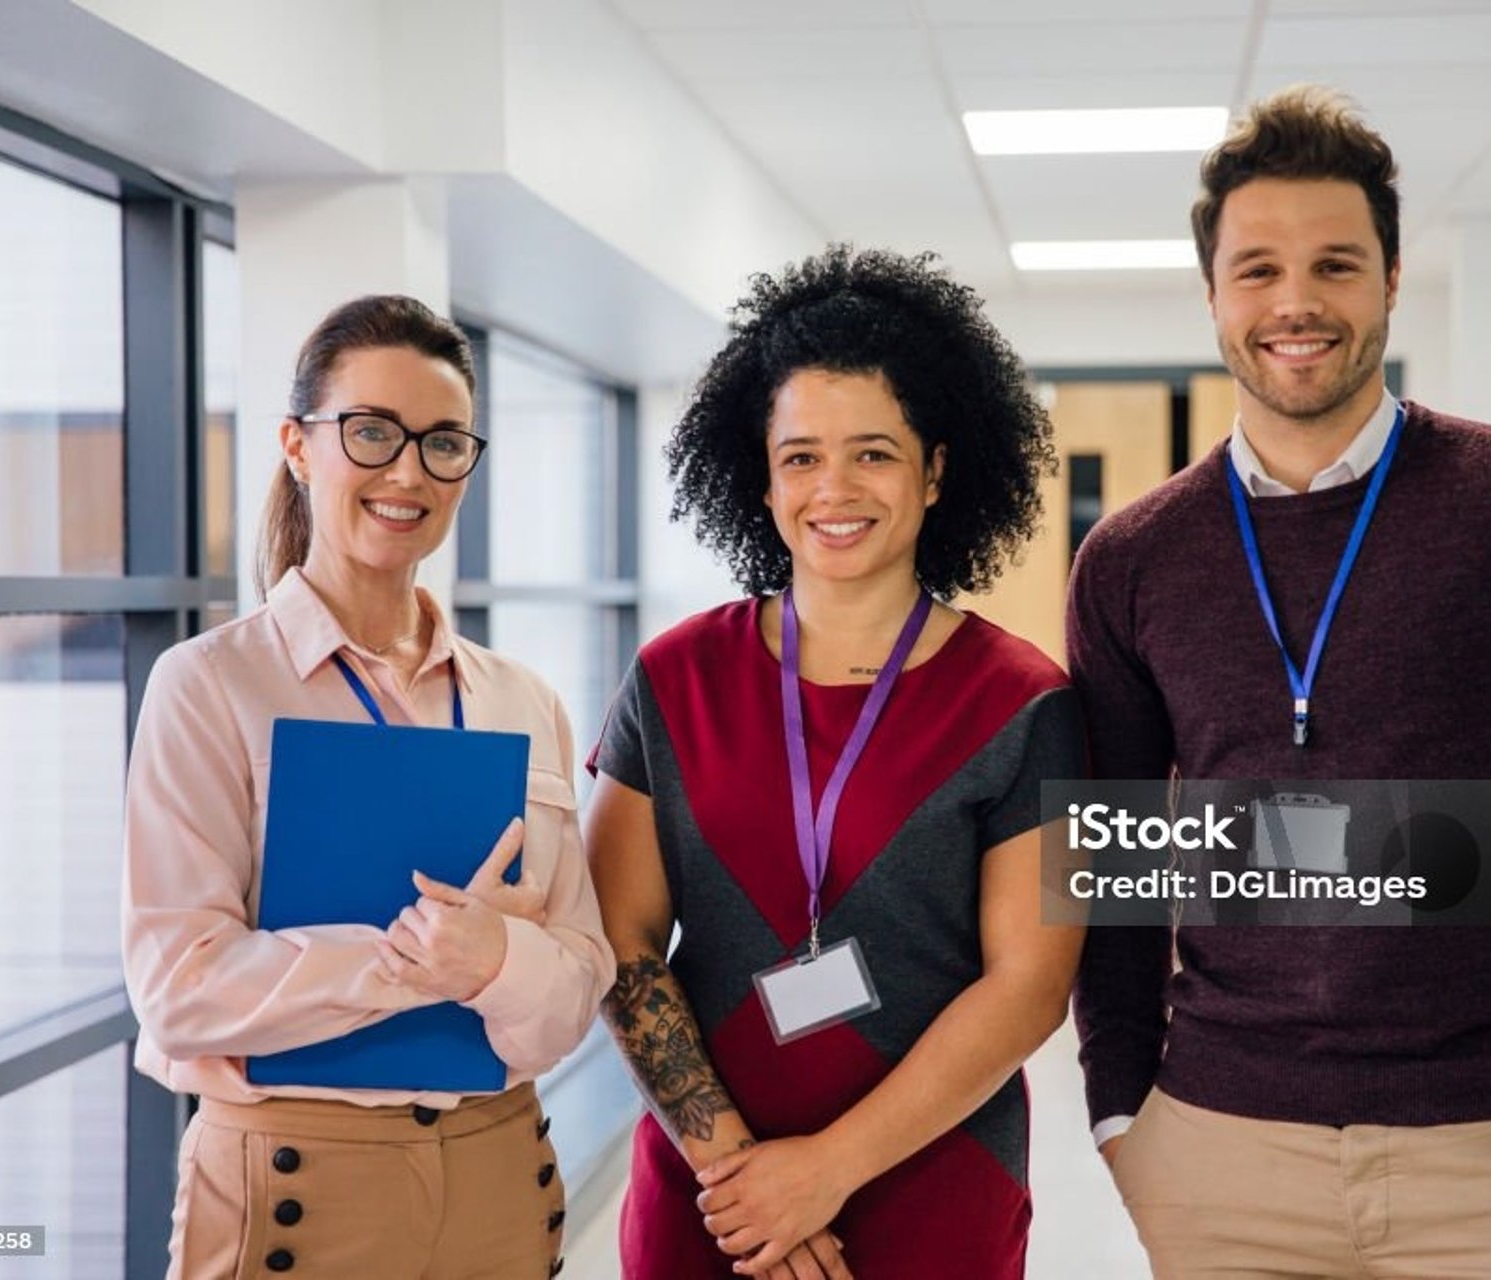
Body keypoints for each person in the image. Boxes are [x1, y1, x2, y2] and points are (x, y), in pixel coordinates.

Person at [1068, 87, 1491, 1279]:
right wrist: (1120, 1108)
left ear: (1394, 278)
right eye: (1256, 269)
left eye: (1336, 264)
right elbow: (1114, 855)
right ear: (1211, 293)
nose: (1295, 302)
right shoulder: (1134, 558)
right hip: (1218, 1153)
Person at [584, 246, 1085, 1279]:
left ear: (937, 468)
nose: (835, 488)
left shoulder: (1022, 699)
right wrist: (743, 1178)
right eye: (802, 455)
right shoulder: (672, 678)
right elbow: (620, 940)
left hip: (933, 1174)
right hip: (708, 1191)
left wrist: (826, 1169)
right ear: (759, 476)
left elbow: (1029, 984)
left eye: (875, 452)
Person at [123, 294, 614, 1279]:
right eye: (372, 432)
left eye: (443, 442)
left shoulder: (522, 699)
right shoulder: (212, 683)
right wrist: (420, 961)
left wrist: (501, 959)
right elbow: (178, 989)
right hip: (296, 1184)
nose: (407, 471)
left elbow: (577, 985)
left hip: (499, 1169)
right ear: (299, 447)